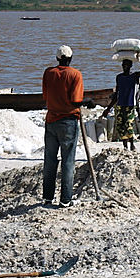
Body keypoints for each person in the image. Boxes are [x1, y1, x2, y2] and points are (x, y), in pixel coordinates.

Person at [41, 45, 94, 208]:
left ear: (57, 58)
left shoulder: (48, 73)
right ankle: (65, 199)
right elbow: (75, 100)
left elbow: (45, 96)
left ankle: (47, 197)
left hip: (51, 121)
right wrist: (88, 101)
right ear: (70, 58)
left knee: (49, 160)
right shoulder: (75, 74)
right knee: (68, 161)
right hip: (68, 122)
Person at [102, 45, 140, 150]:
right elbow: (117, 94)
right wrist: (108, 108)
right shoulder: (119, 77)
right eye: (123, 65)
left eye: (126, 65)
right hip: (120, 105)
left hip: (130, 105)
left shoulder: (134, 76)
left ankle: (132, 144)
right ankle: (125, 146)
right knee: (120, 126)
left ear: (130, 66)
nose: (124, 66)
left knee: (128, 125)